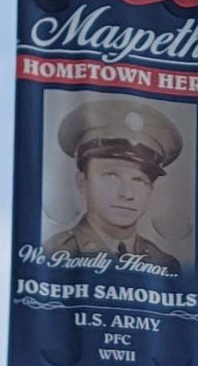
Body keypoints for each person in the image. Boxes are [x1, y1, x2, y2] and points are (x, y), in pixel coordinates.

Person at [43, 96, 184, 273]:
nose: (127, 194)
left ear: (151, 190)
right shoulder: (54, 256)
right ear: (82, 182)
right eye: (111, 176)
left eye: (139, 180)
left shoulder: (165, 265)